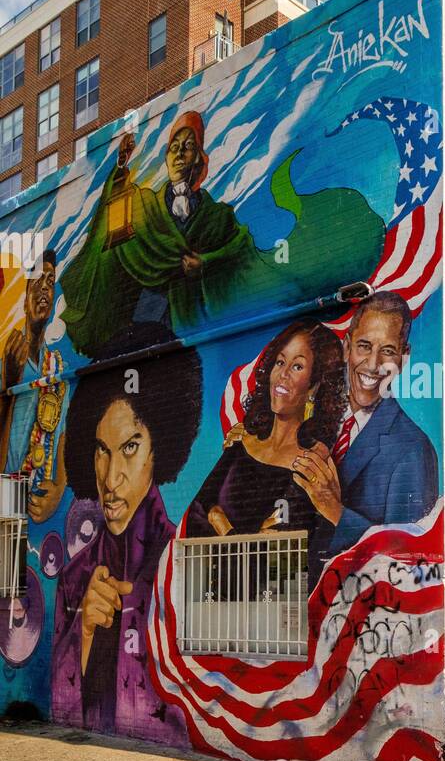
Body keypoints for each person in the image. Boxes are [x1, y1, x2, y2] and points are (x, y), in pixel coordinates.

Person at [51, 324, 202, 741]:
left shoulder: (182, 565)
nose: (111, 477)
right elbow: (60, 714)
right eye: (102, 450)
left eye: (130, 447)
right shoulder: (72, 580)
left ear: (160, 448)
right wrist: (82, 633)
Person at [61, 115, 263, 356]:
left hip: (193, 323)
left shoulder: (216, 216)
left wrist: (206, 263)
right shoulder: (145, 206)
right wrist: (121, 167)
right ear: (166, 158)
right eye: (173, 148)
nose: (178, 154)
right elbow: (113, 210)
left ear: (199, 157)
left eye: (188, 147)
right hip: (145, 322)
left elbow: (240, 250)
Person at [293, 292, 440, 585]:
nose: (373, 364)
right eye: (364, 346)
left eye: (387, 351)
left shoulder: (413, 450)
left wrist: (334, 509)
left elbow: (406, 559)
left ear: (404, 357)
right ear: (347, 347)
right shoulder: (311, 429)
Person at [186, 320, 345, 538]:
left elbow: (281, 549)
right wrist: (224, 524)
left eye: (297, 366)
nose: (283, 374)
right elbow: (198, 509)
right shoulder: (242, 442)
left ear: (314, 386)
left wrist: (221, 522)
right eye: (280, 362)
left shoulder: (312, 465)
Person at [0, 250, 67, 523]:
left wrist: (60, 484)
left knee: (22, 557)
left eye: (50, 282)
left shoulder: (56, 365)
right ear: (25, 297)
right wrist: (10, 387)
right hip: (8, 484)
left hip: (37, 490)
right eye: (37, 280)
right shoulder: (8, 358)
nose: (44, 289)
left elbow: (64, 430)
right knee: (10, 550)